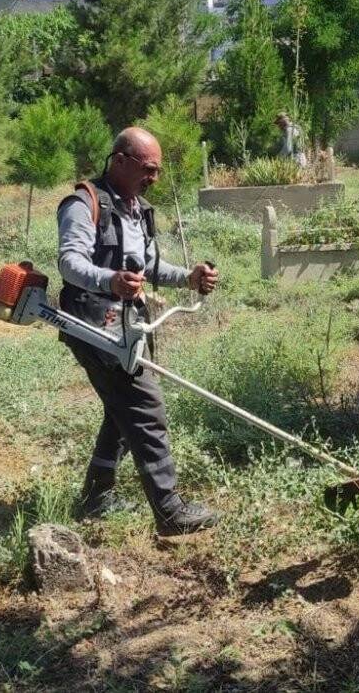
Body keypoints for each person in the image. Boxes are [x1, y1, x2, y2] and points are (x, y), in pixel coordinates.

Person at [56, 126, 220, 536]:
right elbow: (70, 262)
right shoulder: (83, 203)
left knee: (121, 409)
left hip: (130, 323)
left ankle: (96, 496)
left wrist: (189, 277)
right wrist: (109, 281)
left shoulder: (137, 209)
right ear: (120, 161)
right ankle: (169, 512)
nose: (154, 178)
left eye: (158, 171)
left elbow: (148, 268)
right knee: (145, 407)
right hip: (94, 324)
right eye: (149, 169)